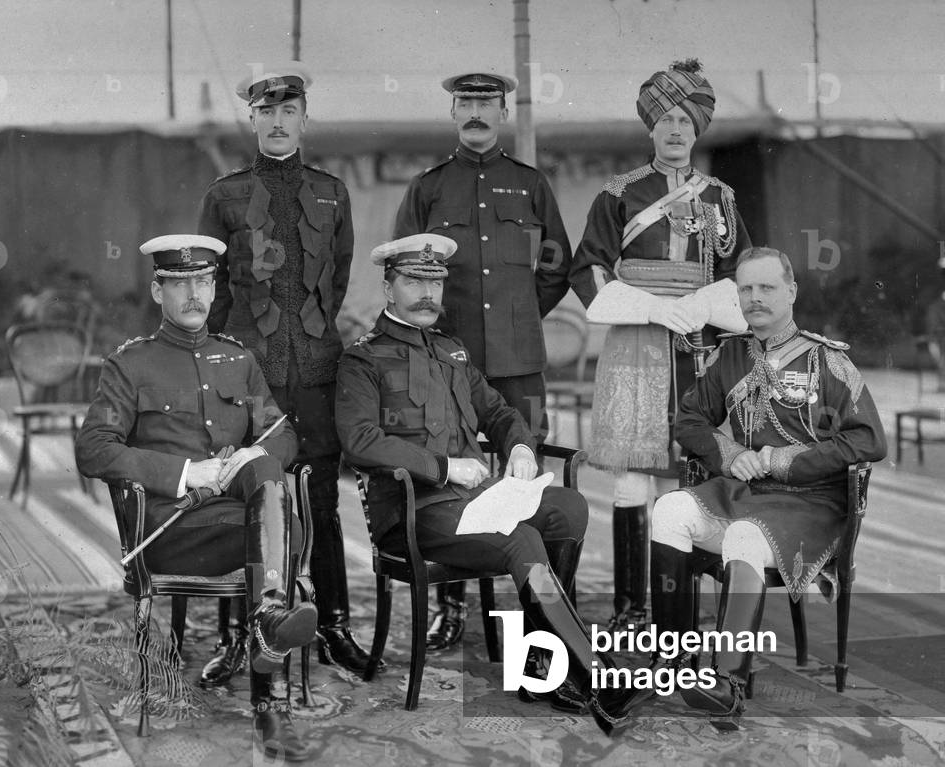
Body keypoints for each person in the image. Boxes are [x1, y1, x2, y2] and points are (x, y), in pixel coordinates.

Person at [334, 234, 646, 734]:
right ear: (388, 287)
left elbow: (498, 411)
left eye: (434, 282)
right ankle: (591, 673)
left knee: (569, 508)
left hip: (474, 504)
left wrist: (520, 446)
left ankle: (542, 665)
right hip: (417, 512)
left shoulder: (452, 352)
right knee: (519, 536)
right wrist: (443, 466)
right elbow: (360, 440)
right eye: (413, 280)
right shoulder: (363, 360)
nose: (427, 293)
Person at [75, 235, 316, 761]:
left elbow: (281, 430)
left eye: (203, 281)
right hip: (173, 531)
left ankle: (268, 650)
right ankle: (270, 660)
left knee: (268, 466)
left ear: (213, 287)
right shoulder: (131, 366)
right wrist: (186, 472)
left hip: (243, 525)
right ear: (158, 291)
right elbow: (93, 450)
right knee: (281, 530)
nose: (193, 294)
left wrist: (248, 455)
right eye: (179, 283)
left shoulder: (238, 361)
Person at [648, 246, 887, 729]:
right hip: (749, 494)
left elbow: (868, 438)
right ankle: (671, 663)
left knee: (743, 537)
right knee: (668, 509)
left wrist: (784, 460)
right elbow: (688, 421)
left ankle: (728, 682)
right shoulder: (730, 354)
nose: (754, 298)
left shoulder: (827, 360)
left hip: (813, 502)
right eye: (746, 289)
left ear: (792, 291)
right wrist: (731, 455)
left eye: (766, 288)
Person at [197, 63, 372, 680]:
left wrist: (313, 342)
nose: (277, 121)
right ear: (252, 119)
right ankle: (240, 636)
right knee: (247, 503)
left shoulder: (331, 192)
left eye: (288, 111)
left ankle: (334, 629)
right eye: (266, 112)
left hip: (317, 372)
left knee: (321, 501)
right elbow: (211, 297)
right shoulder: (224, 195)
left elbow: (340, 276)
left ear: (303, 118)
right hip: (248, 380)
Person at [568, 59, 752, 632]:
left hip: (702, 349)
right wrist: (651, 307)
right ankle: (631, 607)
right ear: (650, 127)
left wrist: (707, 310)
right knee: (631, 475)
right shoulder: (618, 193)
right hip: (635, 343)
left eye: (685, 120)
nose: (675, 130)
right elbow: (589, 269)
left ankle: (683, 608)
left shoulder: (721, 198)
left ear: (698, 130)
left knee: (697, 474)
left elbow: (741, 273)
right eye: (665, 119)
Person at [393, 70, 574, 651]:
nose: (476, 112)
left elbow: (555, 267)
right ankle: (450, 606)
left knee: (523, 471)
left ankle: (538, 612)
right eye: (465, 102)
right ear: (452, 111)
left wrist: (518, 316)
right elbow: (401, 269)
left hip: (519, 362)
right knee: (450, 473)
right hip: (446, 357)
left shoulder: (529, 185)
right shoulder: (428, 188)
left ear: (503, 112)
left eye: (486, 102)